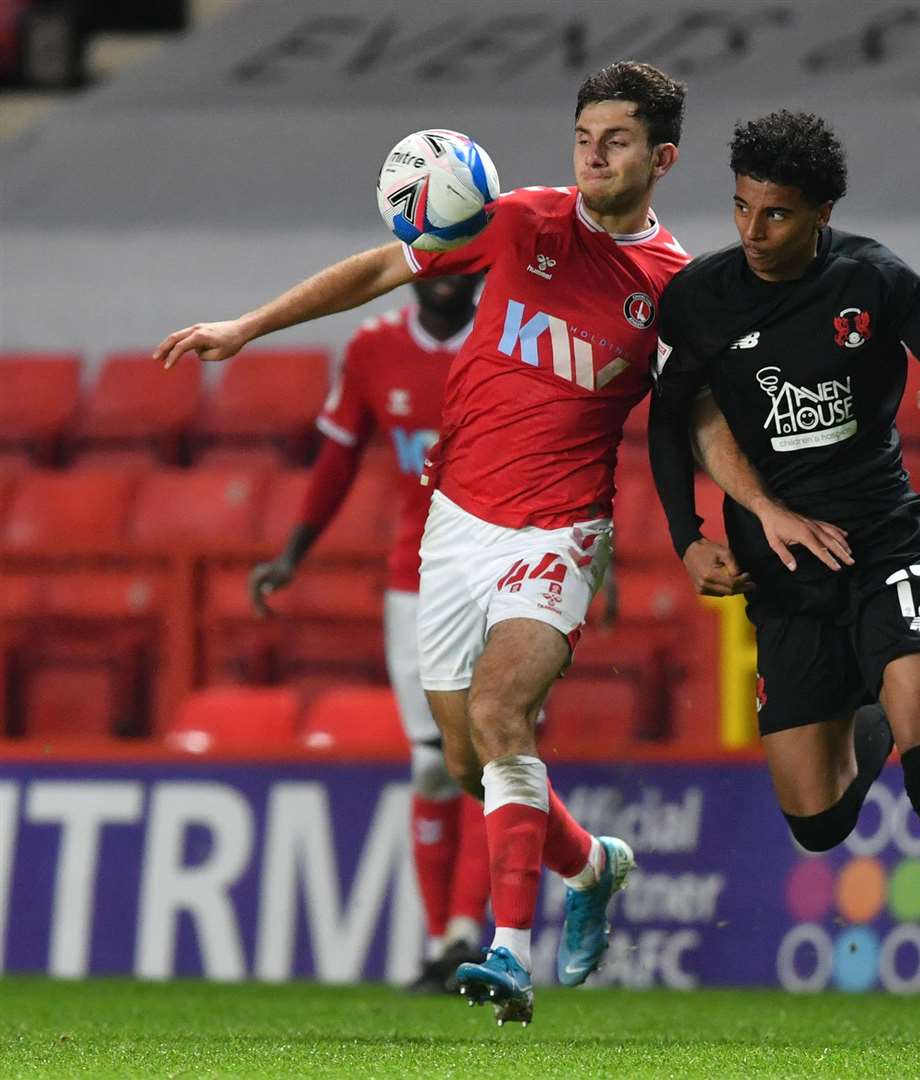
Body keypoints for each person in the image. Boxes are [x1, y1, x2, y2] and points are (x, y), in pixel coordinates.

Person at [156, 61, 702, 1026]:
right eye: (584, 137)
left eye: (616, 141)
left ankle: (506, 952)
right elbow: (381, 266)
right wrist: (248, 326)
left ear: (661, 158)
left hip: (562, 529)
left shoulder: (675, 288)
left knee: (501, 718)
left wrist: (737, 518)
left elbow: (702, 421)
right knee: (463, 758)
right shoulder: (524, 220)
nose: (593, 157)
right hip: (456, 523)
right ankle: (593, 865)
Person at [647, 111, 920, 1049]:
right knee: (816, 823)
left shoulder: (877, 278)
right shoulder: (699, 299)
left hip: (884, 543)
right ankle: (871, 721)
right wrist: (689, 538)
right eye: (740, 208)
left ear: (822, 212)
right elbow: (668, 420)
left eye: (775, 215)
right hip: (784, 575)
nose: (751, 231)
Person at [247, 275, 492, 993]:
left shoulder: (508, 337)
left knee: (496, 758)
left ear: (479, 265)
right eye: (431, 253)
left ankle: (469, 938)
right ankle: (441, 939)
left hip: (504, 573)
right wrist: (292, 553)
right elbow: (338, 458)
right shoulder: (372, 348)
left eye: (460, 253)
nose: (445, 270)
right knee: (434, 765)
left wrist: (589, 561)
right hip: (414, 585)